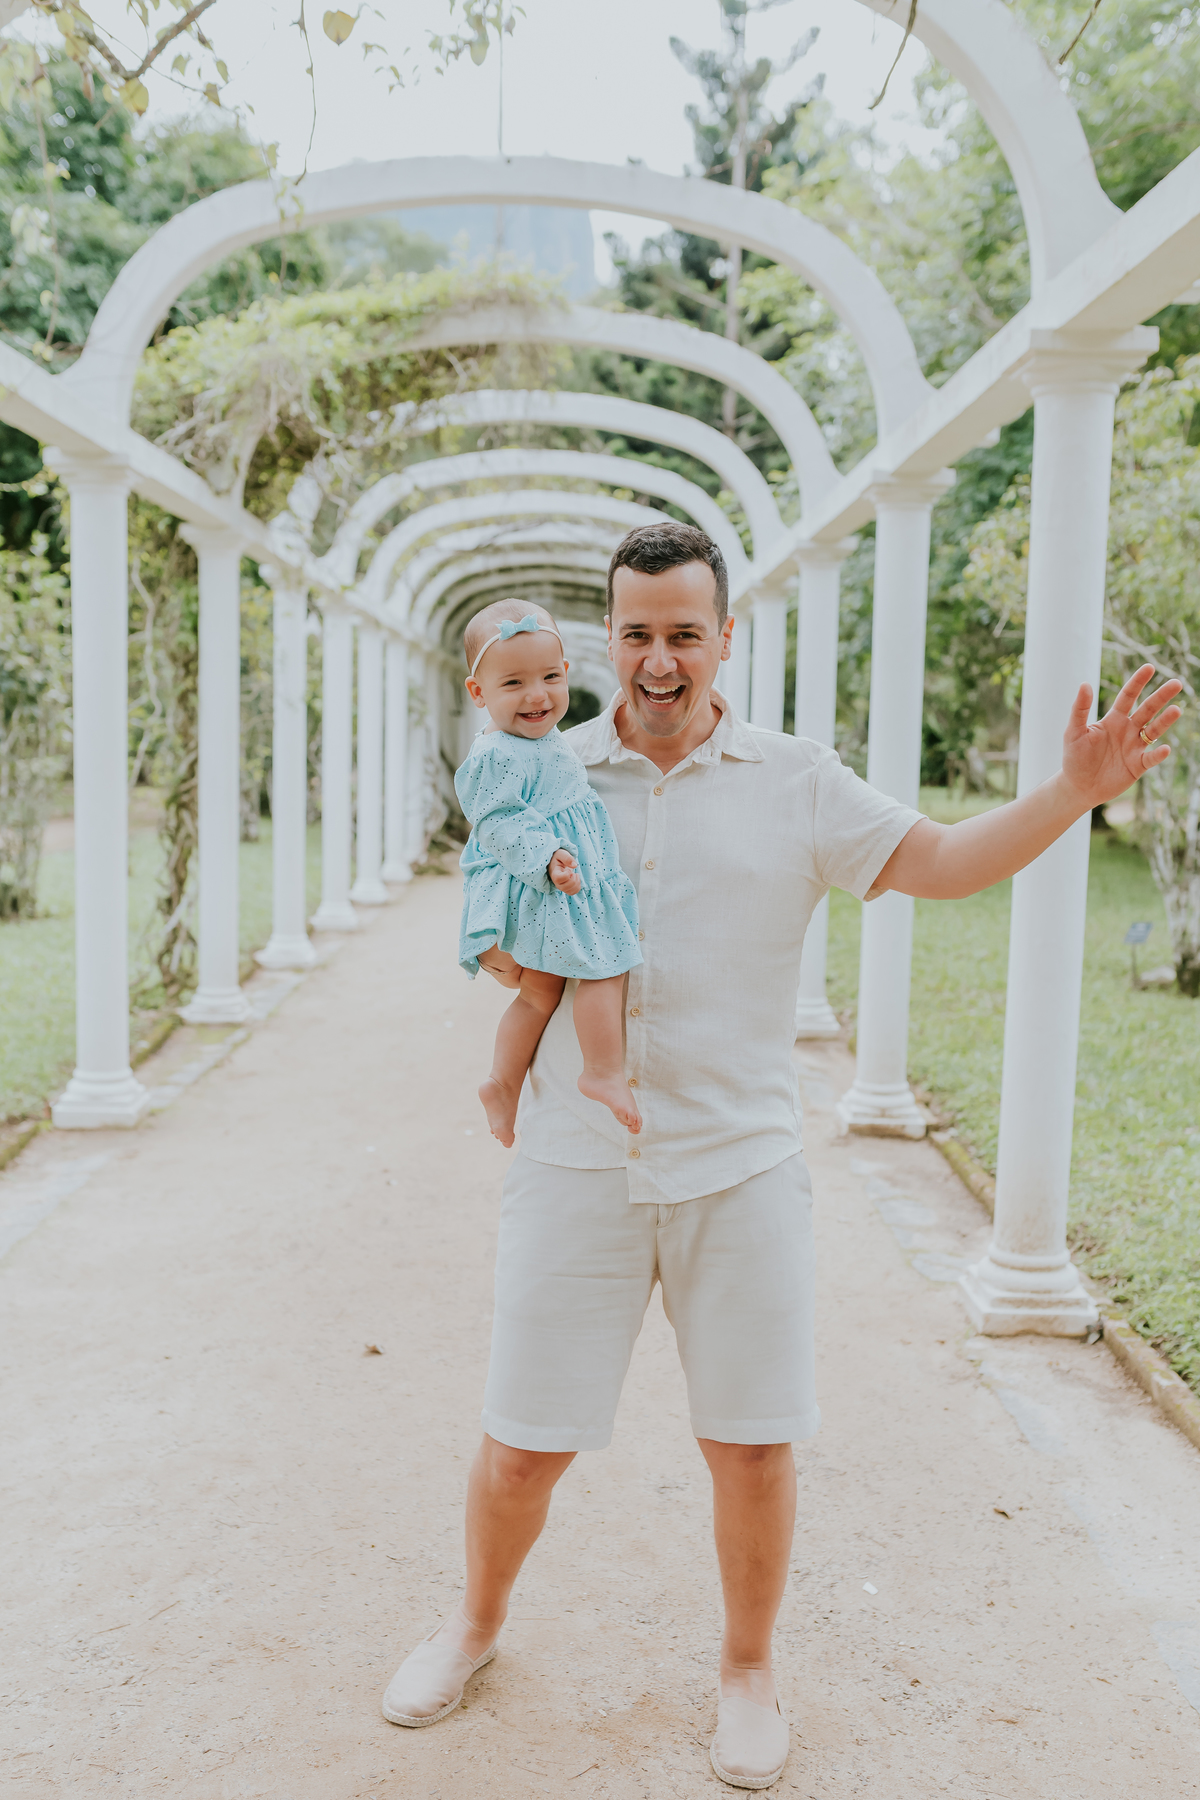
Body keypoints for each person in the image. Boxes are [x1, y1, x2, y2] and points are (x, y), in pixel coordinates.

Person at [382, 521, 1182, 1788]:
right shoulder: (545, 766)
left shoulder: (799, 780)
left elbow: (944, 862)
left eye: (683, 634)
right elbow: (486, 909)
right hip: (574, 1157)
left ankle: (748, 1669)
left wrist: (1074, 793)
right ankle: (472, 1626)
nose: (658, 661)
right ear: (610, 641)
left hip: (740, 1163)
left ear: (723, 640)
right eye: (636, 634)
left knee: (751, 1443)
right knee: (523, 1437)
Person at [455, 598, 643, 1146]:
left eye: (550, 677)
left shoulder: (543, 738)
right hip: (548, 882)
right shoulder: (496, 755)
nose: (537, 695)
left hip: (565, 882)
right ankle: (603, 1071)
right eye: (513, 683)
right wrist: (548, 858)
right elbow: (498, 822)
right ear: (478, 693)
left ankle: (502, 1082)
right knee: (605, 964)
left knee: (539, 996)